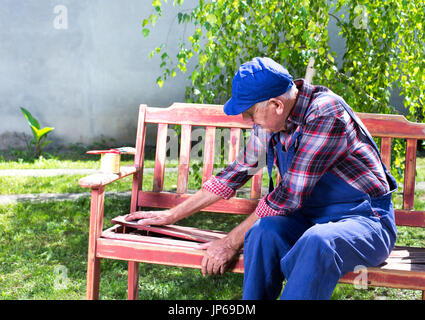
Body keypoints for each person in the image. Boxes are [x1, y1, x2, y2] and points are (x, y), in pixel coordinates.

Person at [125, 57, 398, 300]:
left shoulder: (325, 114)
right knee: (262, 232)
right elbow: (236, 173)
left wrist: (229, 242)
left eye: (250, 112)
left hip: (365, 222)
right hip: (312, 219)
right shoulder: (272, 121)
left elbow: (288, 196)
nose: (246, 119)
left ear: (276, 104)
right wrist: (170, 215)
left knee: (318, 243)